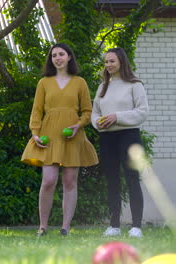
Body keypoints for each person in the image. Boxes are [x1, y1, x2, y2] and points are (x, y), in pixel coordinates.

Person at [21, 43, 98, 236]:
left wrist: (78, 125)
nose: (57, 58)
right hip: (49, 135)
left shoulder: (80, 82)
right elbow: (37, 110)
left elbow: (88, 111)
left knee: (70, 181)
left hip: (72, 135)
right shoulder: (44, 83)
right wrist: (35, 132)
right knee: (48, 180)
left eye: (61, 54)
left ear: (69, 57)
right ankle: (43, 226)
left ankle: (65, 227)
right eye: (54, 55)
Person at [91, 47, 149, 238]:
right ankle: (114, 225)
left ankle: (136, 227)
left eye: (112, 61)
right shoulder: (102, 87)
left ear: (121, 62)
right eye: (106, 62)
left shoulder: (135, 84)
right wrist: (98, 123)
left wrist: (117, 116)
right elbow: (95, 113)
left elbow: (142, 112)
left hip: (129, 137)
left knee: (132, 179)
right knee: (112, 181)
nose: (108, 65)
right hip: (108, 138)